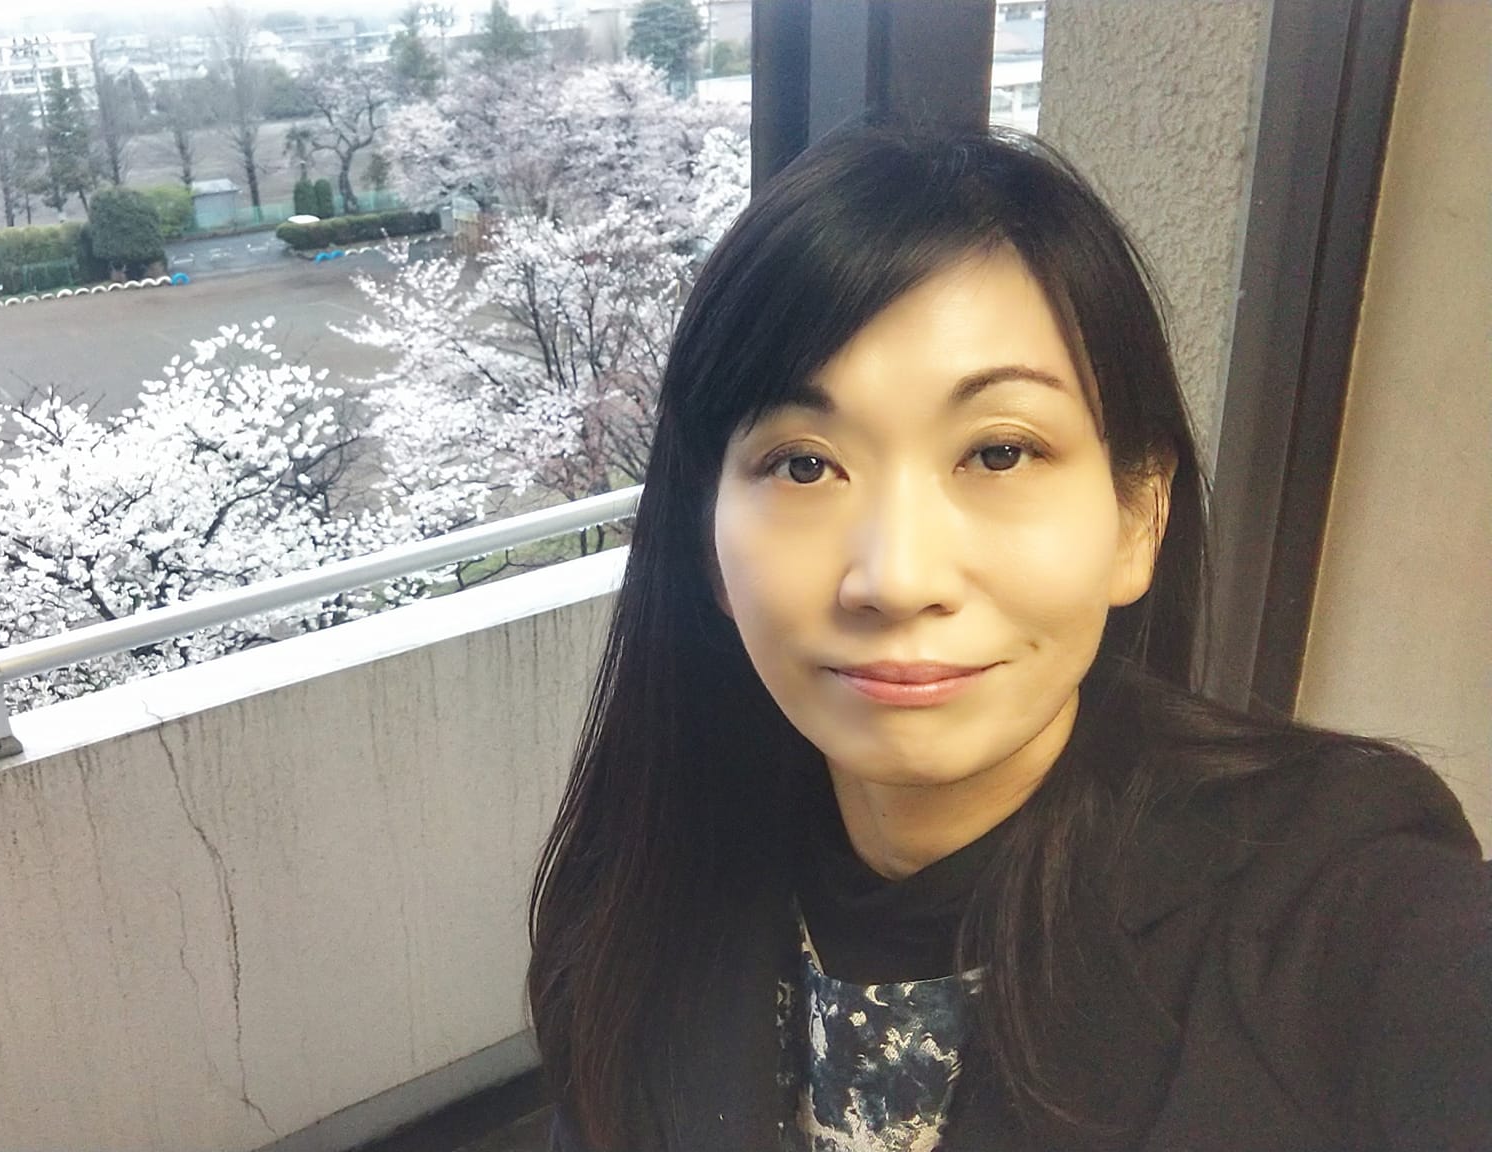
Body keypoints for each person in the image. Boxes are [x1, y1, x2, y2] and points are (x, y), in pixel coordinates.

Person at [527, 126, 1492, 1151]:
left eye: (998, 452)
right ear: (706, 547)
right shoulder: (641, 888)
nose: (896, 578)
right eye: (803, 465)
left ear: (1138, 518)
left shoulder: (1336, 916)